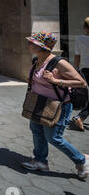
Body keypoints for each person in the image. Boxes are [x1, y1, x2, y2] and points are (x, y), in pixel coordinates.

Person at [21, 31, 89, 180]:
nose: (29, 44)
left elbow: (81, 83)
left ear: (41, 46)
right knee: (36, 130)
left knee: (54, 137)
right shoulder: (37, 59)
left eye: (32, 43)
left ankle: (82, 160)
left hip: (58, 106)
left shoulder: (59, 62)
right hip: (39, 103)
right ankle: (40, 161)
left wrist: (56, 81)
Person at [69, 17, 89, 131]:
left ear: (85, 28)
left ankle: (80, 117)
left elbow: (77, 55)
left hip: (85, 69)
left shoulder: (79, 39)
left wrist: (75, 71)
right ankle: (80, 117)